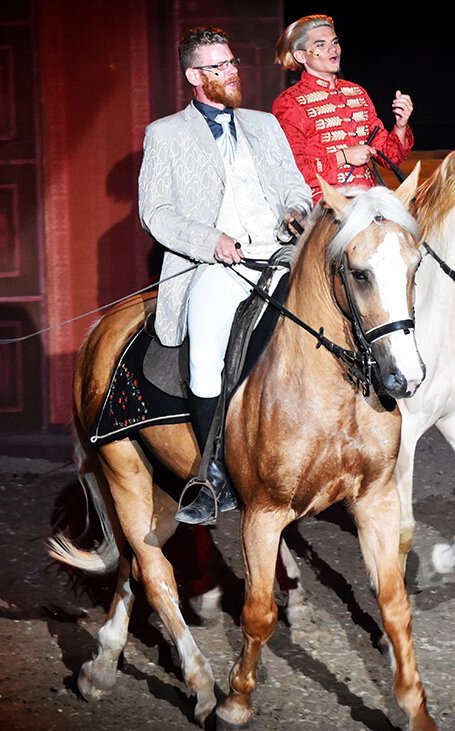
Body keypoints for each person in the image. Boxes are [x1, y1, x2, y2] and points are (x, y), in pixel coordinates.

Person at [138, 26, 313, 525]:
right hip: (218, 264)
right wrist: (210, 239)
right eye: (219, 66)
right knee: (205, 358)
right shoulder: (165, 134)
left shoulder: (264, 124)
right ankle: (213, 474)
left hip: (279, 255)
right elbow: (155, 212)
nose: (233, 72)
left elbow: (295, 186)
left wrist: (295, 211)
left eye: (232, 62)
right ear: (195, 76)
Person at [271, 14, 414, 200]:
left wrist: (401, 125)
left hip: (368, 199)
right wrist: (343, 156)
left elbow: (390, 158)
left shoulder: (356, 92)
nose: (333, 49)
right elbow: (291, 171)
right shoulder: (290, 102)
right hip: (324, 204)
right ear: (300, 55)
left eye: (335, 42)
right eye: (320, 45)